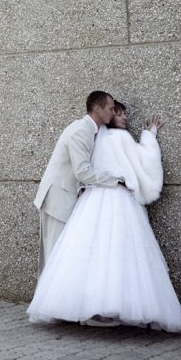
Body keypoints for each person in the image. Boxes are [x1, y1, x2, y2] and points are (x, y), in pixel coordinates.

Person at [27, 101, 181, 333]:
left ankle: (78, 307)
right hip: (116, 198)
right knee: (118, 253)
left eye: (124, 114)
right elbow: (146, 161)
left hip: (91, 200)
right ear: (106, 114)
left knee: (83, 254)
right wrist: (150, 135)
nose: (124, 118)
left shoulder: (97, 138)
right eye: (119, 113)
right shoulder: (118, 138)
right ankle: (107, 307)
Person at [32, 91, 127, 273]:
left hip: (63, 196)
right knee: (55, 255)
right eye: (110, 109)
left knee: (60, 254)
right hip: (57, 199)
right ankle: (50, 300)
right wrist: (117, 179)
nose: (113, 113)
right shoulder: (82, 131)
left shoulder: (89, 129)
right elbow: (83, 172)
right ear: (98, 109)